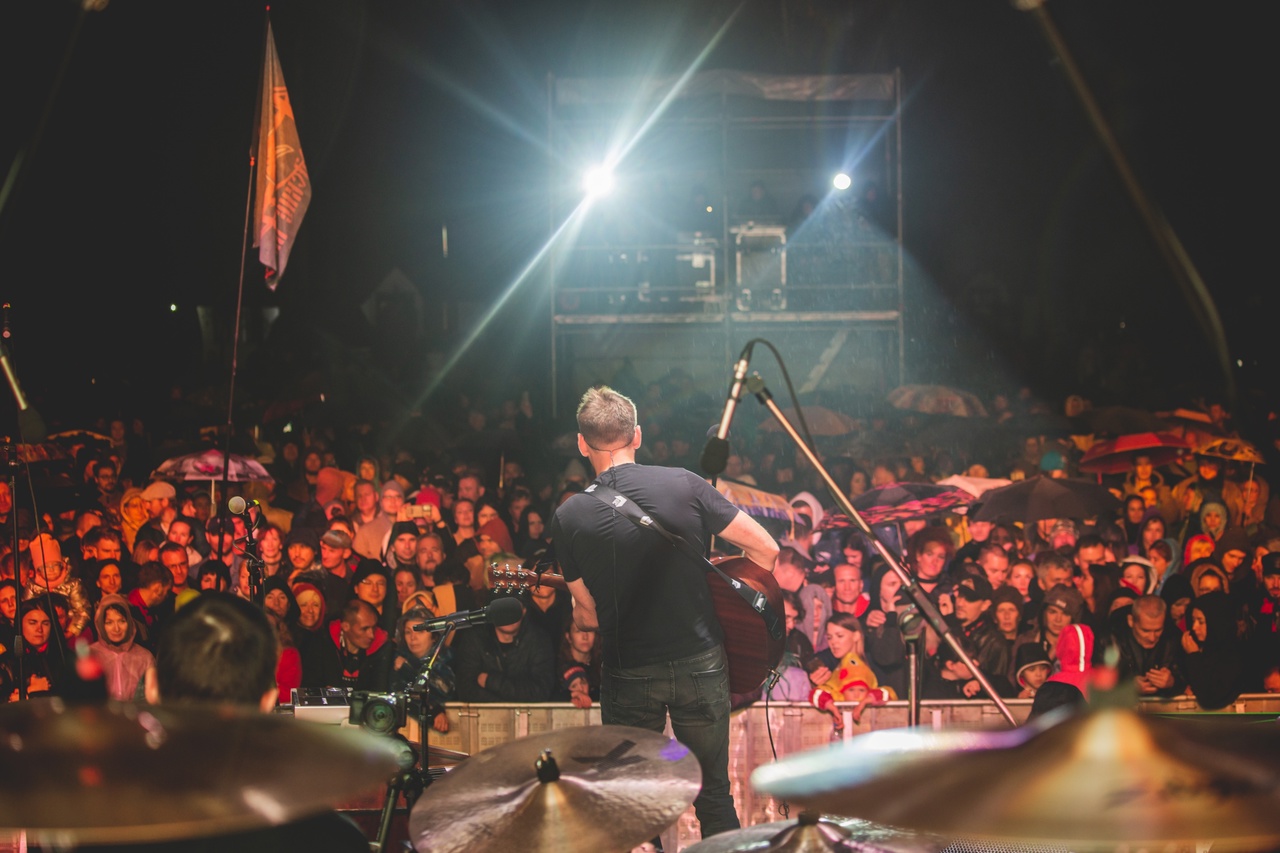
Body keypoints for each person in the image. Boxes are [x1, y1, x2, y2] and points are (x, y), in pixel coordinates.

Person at [551, 386, 779, 839]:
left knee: (633, 799)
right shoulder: (684, 483)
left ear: (582, 444)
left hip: (629, 670)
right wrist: (716, 589)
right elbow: (767, 550)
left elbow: (589, 619)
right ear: (637, 435)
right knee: (714, 794)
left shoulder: (570, 516)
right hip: (700, 661)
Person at [454, 594, 555, 702]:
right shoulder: (474, 639)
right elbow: (466, 690)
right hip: (485, 716)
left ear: (524, 611)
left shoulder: (538, 639)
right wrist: (509, 699)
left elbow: (541, 692)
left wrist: (490, 681)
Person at [1113, 595, 1184, 698]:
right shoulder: (1111, 640)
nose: (1152, 638)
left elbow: (1187, 679)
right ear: (1131, 621)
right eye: (1145, 630)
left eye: (1158, 630)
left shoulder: (1173, 639)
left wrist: (1172, 682)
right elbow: (1098, 687)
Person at [88, 594, 155, 701]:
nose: (116, 628)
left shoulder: (145, 658)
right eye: (109, 622)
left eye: (121, 621)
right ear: (101, 624)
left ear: (129, 622)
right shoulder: (89, 655)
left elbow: (153, 699)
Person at [316, 599, 393, 691]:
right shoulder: (321, 643)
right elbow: (310, 686)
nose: (372, 635)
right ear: (345, 627)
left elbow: (380, 691)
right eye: (365, 629)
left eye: (373, 627)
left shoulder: (383, 648)